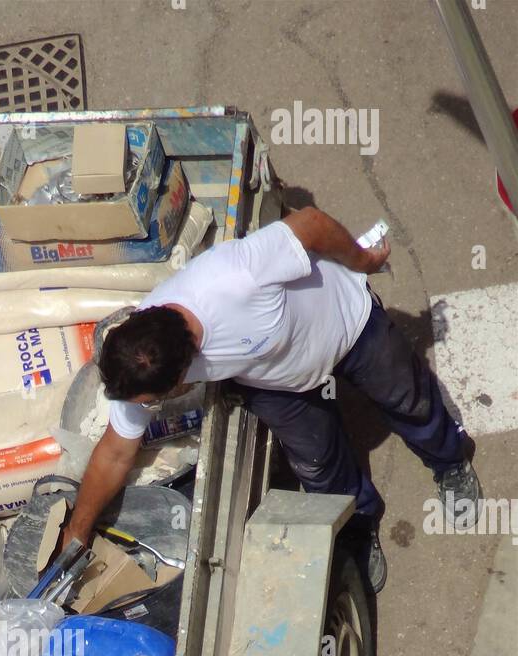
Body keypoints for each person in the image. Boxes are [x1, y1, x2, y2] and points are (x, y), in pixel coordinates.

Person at [62, 206, 481, 592]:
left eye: (158, 400)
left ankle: (449, 461)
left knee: (409, 400)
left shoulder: (235, 276)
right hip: (277, 381)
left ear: (186, 371)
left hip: (347, 325)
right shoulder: (142, 362)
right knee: (318, 465)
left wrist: (361, 260)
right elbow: (115, 452)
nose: (151, 407)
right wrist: (78, 532)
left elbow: (311, 225)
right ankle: (358, 526)